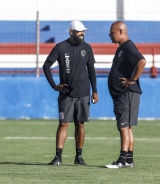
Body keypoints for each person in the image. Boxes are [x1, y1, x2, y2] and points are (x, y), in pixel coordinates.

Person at [43, 20, 99, 166]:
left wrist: (95, 91)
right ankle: (58, 157)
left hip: (84, 93)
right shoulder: (60, 47)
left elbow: (92, 71)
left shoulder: (87, 48)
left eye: (84, 31)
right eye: (79, 31)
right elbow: (46, 65)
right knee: (63, 124)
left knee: (80, 124)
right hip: (66, 94)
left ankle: (79, 157)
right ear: (71, 32)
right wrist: (54, 85)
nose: (82, 33)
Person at [105, 21, 146, 168]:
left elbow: (141, 61)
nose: (110, 35)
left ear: (120, 31)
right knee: (127, 127)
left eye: (112, 32)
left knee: (123, 127)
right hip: (126, 94)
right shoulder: (122, 48)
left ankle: (121, 160)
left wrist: (132, 80)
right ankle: (129, 160)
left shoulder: (128, 47)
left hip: (126, 94)